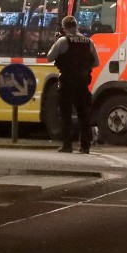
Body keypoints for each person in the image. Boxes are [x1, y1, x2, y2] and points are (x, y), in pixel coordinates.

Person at [46, 15, 100, 154]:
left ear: (64, 28)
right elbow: (96, 62)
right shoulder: (88, 41)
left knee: (65, 114)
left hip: (67, 81)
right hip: (82, 82)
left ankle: (67, 145)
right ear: (76, 26)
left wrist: (56, 41)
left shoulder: (63, 41)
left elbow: (49, 57)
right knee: (84, 115)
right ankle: (85, 146)